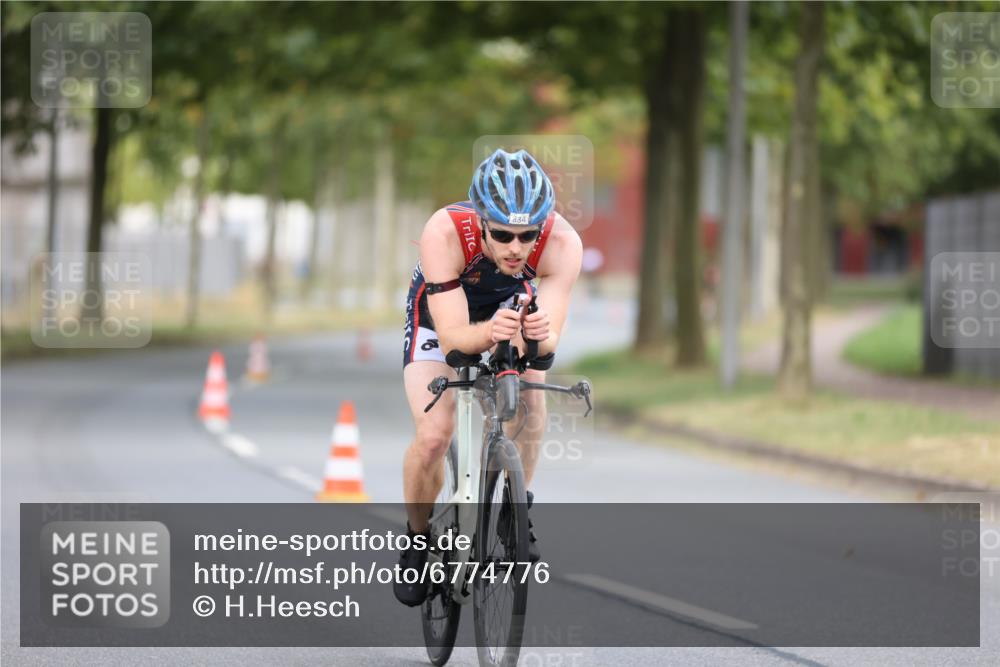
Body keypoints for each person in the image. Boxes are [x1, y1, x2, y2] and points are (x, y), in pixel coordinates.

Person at [394, 148, 583, 607]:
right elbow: (455, 341)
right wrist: (490, 333)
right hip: (440, 316)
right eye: (502, 234)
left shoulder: (563, 243)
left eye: (527, 235)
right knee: (434, 435)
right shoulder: (444, 231)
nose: (516, 247)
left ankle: (515, 511)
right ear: (481, 222)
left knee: (530, 398)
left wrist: (536, 337)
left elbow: (546, 347)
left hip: (508, 310)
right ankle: (417, 540)